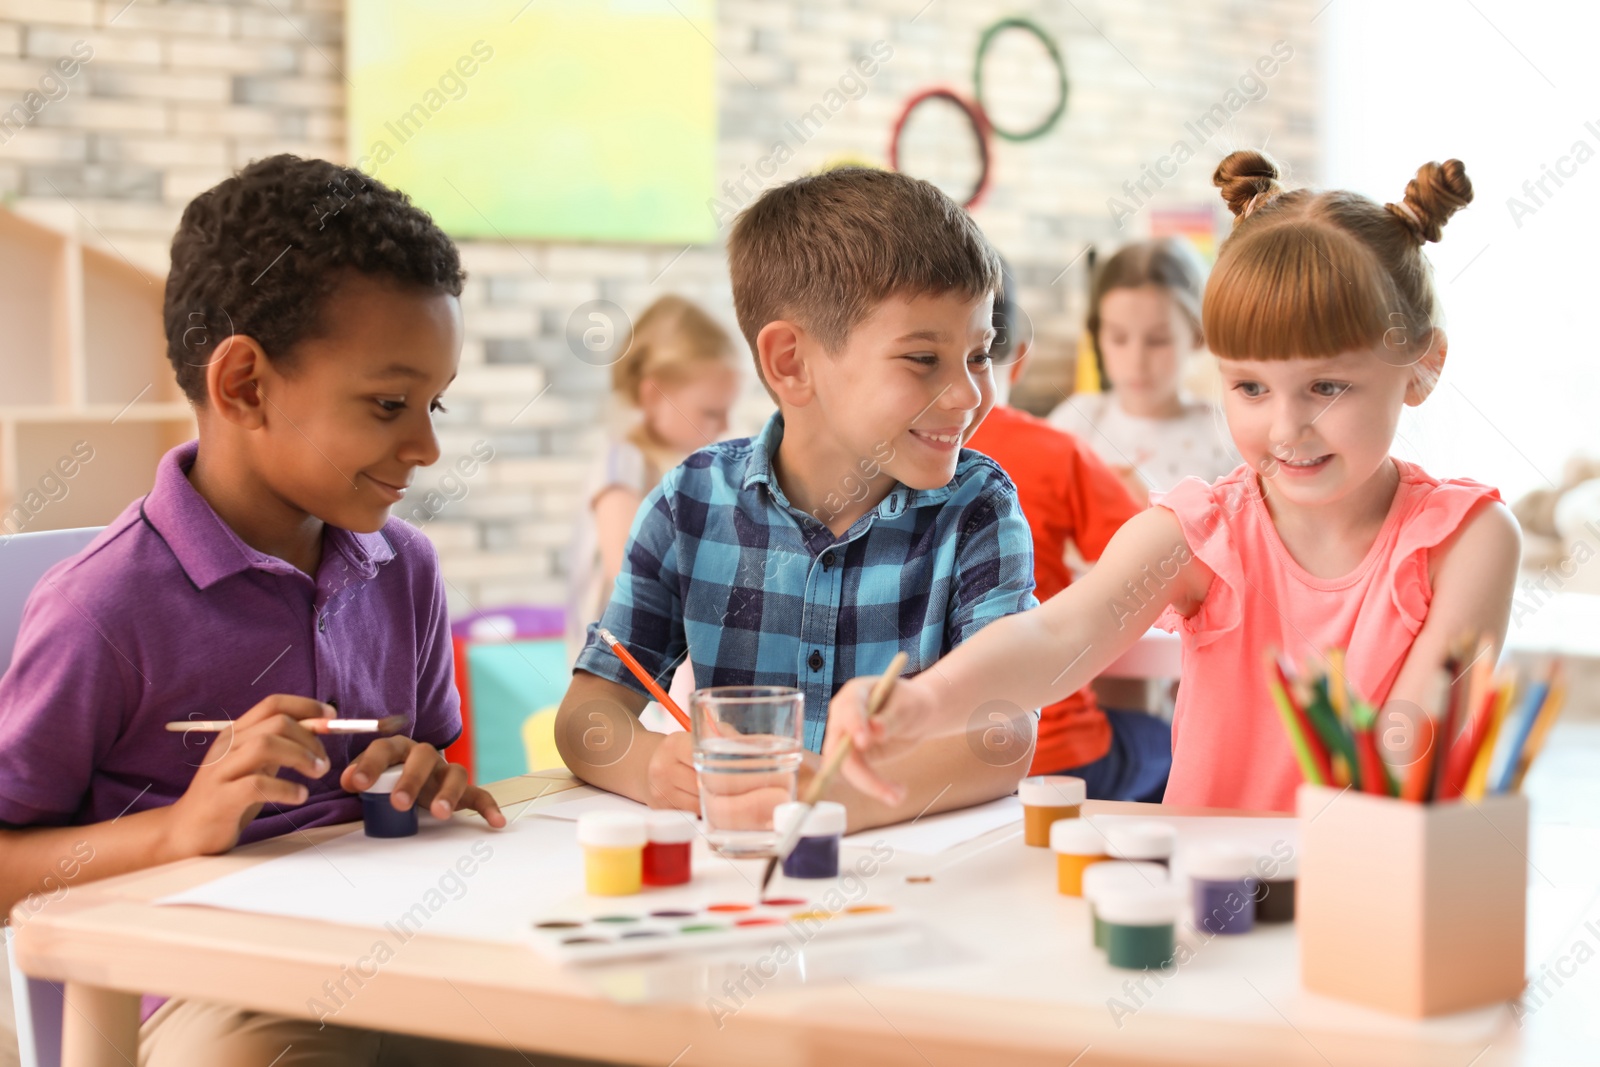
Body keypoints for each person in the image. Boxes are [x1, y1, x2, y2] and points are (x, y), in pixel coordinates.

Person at [827, 152, 1520, 815]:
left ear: (1423, 365)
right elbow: (1057, 633)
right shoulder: (1200, 531)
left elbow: (1404, 757)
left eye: (1327, 386)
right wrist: (924, 701)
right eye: (1249, 385)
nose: (1286, 428)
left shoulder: (1470, 540)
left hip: (1371, 891)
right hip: (1208, 907)